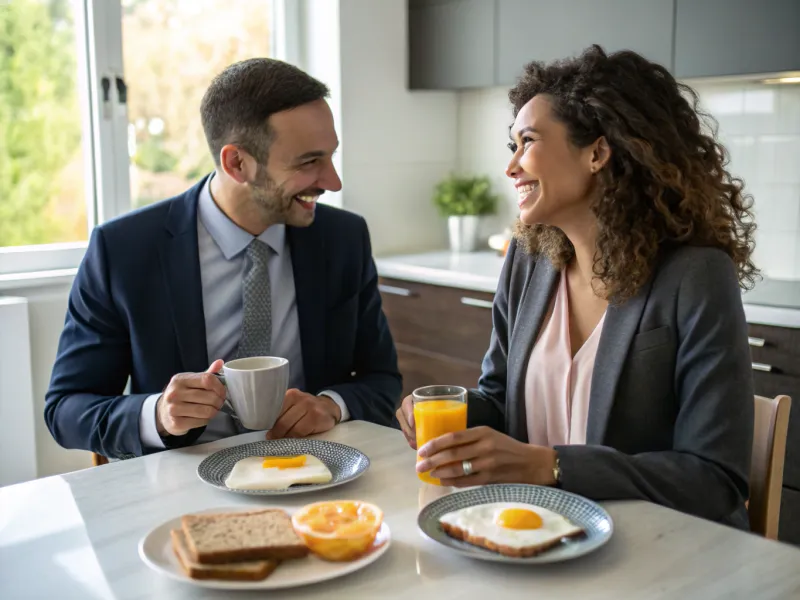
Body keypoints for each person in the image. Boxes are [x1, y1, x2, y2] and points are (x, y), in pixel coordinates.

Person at [396, 45, 757, 529]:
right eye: (513, 146)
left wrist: (552, 466)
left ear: (597, 152)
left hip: (659, 550)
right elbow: (501, 401)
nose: (512, 167)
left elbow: (714, 480)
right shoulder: (527, 261)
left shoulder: (694, 277)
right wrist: (450, 413)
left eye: (528, 141)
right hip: (538, 533)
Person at [46, 58, 401, 459]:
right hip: (180, 485)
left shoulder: (343, 239)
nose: (333, 182)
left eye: (330, 156)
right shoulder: (124, 250)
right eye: (309, 162)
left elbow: (382, 378)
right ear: (236, 163)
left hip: (315, 472)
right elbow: (66, 408)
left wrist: (331, 405)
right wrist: (158, 414)